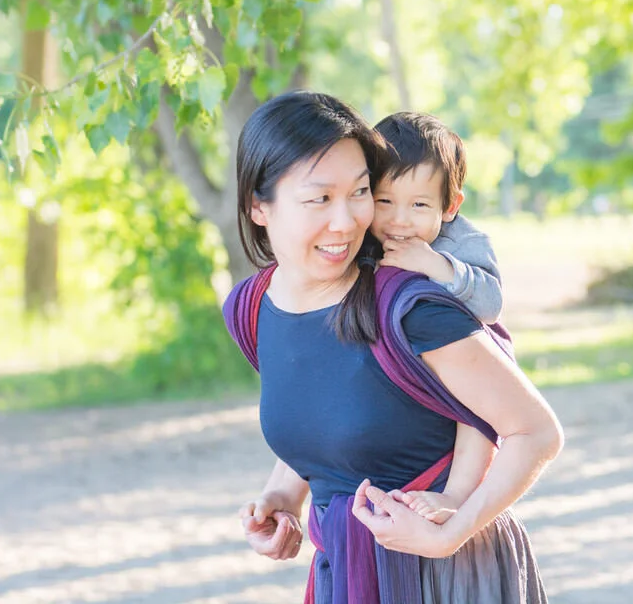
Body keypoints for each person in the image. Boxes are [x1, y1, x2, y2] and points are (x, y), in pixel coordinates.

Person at [223, 91, 563, 604]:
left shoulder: (412, 308)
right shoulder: (252, 310)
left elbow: (536, 432)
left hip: (448, 578)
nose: (347, 221)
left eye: (360, 192)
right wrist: (283, 496)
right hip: (348, 571)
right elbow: (333, 412)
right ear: (257, 205)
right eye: (320, 198)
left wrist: (452, 531)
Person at [370, 111, 504, 526]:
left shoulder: (463, 242)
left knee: (477, 412)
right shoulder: (368, 237)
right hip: (415, 357)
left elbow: (491, 304)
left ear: (449, 206)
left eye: (419, 205)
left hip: (472, 352)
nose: (399, 219)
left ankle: (456, 494)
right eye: (384, 201)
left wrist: (437, 265)